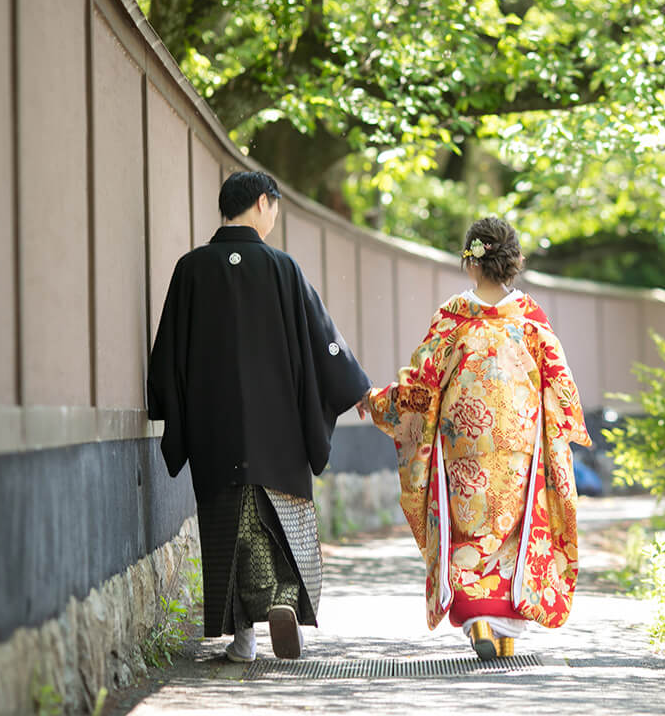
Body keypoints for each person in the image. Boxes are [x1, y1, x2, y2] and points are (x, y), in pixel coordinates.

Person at [147, 170, 370, 662]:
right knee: (281, 518)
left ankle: (242, 640)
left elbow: (167, 353)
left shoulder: (190, 270)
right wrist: (356, 387)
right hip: (282, 433)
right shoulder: (281, 268)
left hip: (214, 430)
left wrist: (168, 408)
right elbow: (322, 340)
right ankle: (282, 601)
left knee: (228, 525)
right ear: (264, 204)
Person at [360, 217, 590, 659]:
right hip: (518, 440)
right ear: (513, 264)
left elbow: (423, 382)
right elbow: (561, 385)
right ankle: (503, 626)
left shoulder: (453, 317)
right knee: (513, 525)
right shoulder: (531, 318)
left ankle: (481, 620)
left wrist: (378, 401)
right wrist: (557, 432)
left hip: (463, 436)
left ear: (471, 263)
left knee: (466, 522)